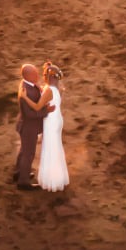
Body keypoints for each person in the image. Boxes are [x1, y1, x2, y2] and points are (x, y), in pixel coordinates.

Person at [13, 63, 51, 190]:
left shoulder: (28, 84)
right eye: (35, 74)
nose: (37, 75)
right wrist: (46, 111)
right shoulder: (25, 91)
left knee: (24, 150)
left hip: (25, 125)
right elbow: (29, 114)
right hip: (28, 127)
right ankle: (23, 182)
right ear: (28, 76)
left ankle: (18, 172)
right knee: (28, 154)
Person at [36, 62, 70, 192]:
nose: (43, 76)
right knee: (56, 147)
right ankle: (58, 177)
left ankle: (51, 180)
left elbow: (38, 106)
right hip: (57, 119)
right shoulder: (57, 89)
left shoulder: (49, 90)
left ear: (50, 76)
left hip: (50, 121)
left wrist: (24, 98)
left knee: (50, 148)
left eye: (45, 74)